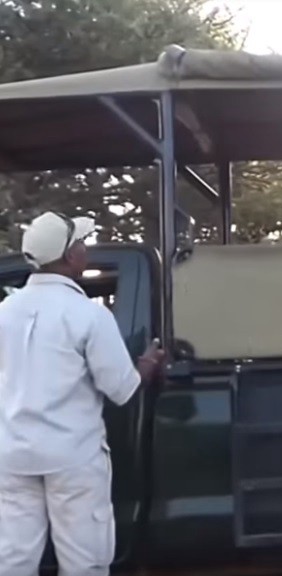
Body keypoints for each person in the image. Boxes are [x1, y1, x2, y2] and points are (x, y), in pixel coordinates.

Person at [0, 211, 165, 576]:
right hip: (71, 457)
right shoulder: (88, 316)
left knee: (13, 559)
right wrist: (146, 365)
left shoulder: (5, 311)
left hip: (13, 456)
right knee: (84, 560)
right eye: (81, 242)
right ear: (70, 255)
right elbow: (121, 389)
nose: (85, 248)